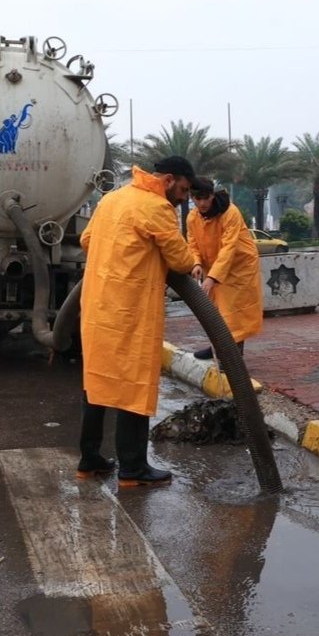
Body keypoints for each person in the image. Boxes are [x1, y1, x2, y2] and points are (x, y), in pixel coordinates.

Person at [78, 155, 198, 487]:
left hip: (98, 307)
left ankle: (89, 460)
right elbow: (181, 259)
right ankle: (133, 469)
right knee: (133, 384)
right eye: (184, 190)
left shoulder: (111, 199)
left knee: (97, 383)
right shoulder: (156, 208)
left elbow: (86, 240)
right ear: (169, 179)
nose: (185, 198)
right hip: (130, 311)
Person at [185, 177, 263, 360]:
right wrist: (196, 263)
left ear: (212, 195)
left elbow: (229, 248)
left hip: (239, 268)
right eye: (197, 198)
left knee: (233, 314)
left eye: (206, 198)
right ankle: (217, 348)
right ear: (192, 197)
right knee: (215, 311)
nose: (202, 203)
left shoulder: (230, 212)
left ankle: (233, 357)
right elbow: (192, 244)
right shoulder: (192, 217)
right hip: (215, 268)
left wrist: (212, 277)